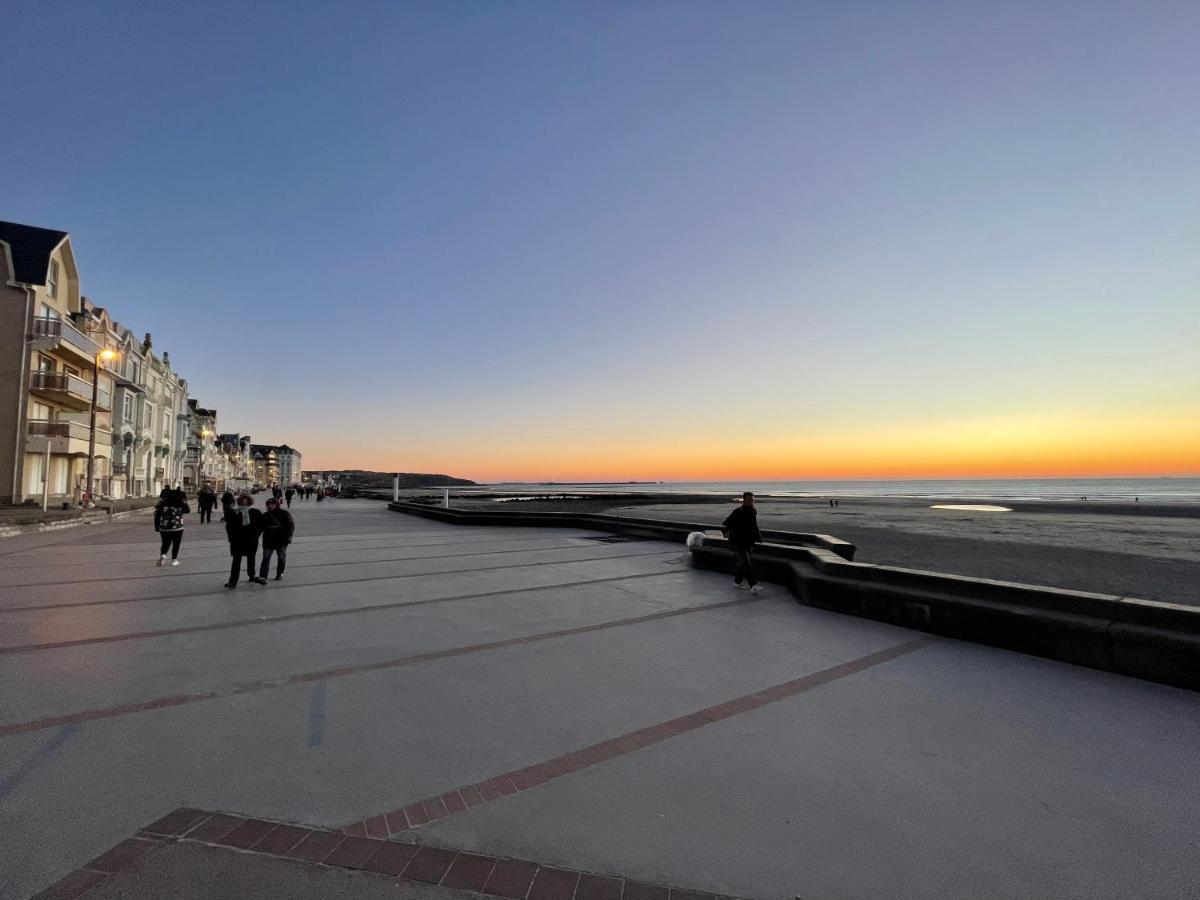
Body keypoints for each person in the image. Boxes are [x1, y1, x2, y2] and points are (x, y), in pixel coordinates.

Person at [722, 491, 763, 594]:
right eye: (749, 500)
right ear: (744, 500)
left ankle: (737, 582)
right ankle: (753, 585)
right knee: (747, 563)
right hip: (737, 541)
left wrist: (758, 538)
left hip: (747, 541)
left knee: (743, 563)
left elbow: (754, 526)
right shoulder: (738, 511)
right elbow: (726, 523)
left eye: (753, 500)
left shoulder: (753, 511)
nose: (752, 502)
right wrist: (734, 530)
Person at [224, 493, 265, 588]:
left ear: (249, 501)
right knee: (236, 560)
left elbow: (260, 526)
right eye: (242, 499)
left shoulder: (255, 512)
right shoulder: (234, 512)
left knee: (251, 559)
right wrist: (231, 538)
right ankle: (233, 581)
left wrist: (256, 536)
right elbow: (229, 527)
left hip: (251, 540)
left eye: (246, 499)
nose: (244, 501)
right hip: (237, 540)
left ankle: (252, 576)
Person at [260, 497, 295, 581]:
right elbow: (259, 528)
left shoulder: (285, 513)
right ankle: (263, 576)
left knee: (281, 558)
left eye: (272, 504)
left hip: (281, 540)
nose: (269, 506)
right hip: (268, 540)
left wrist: (289, 536)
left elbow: (291, 526)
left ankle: (280, 573)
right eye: (268, 505)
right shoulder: (265, 515)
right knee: (266, 558)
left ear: (276, 505)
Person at [154, 486, 190, 567]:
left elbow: (157, 516)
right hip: (177, 527)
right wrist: (184, 501)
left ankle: (163, 555)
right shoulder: (180, 502)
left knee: (165, 543)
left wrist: (156, 526)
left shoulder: (162, 503)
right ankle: (174, 560)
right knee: (176, 543)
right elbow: (187, 510)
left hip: (164, 527)